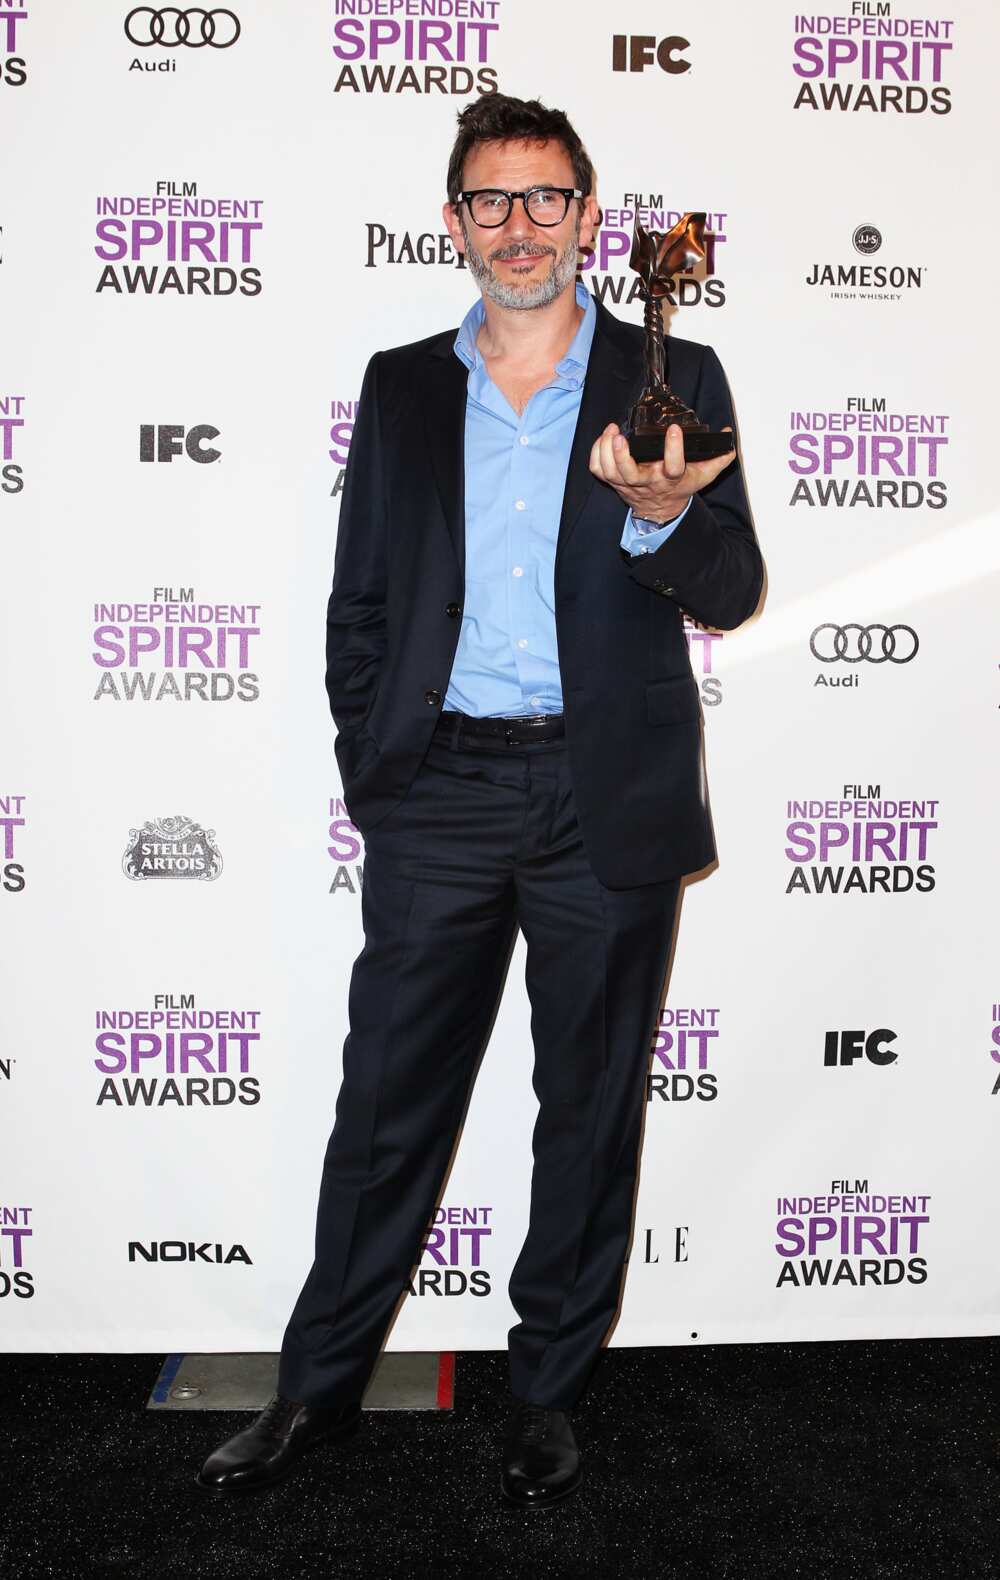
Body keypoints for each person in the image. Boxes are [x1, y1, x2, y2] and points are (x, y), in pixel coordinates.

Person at [198, 92, 762, 1509]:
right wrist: (378, 774)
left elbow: (733, 588)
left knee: (586, 1111)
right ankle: (315, 1388)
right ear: (454, 221)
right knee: (386, 1105)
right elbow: (362, 605)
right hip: (438, 792)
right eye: (491, 202)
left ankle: (549, 1395)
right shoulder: (400, 387)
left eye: (546, 199)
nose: (520, 228)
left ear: (588, 215)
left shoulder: (673, 372)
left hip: (604, 798)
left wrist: (661, 513)